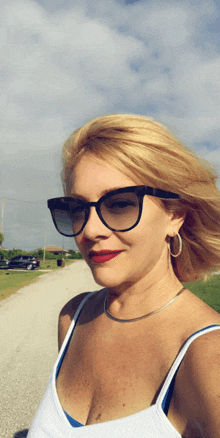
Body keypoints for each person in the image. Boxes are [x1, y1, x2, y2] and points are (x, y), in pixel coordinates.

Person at [27, 114, 220, 437]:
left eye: (119, 204)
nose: (90, 230)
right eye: (77, 208)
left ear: (175, 215)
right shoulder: (73, 318)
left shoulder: (207, 359)